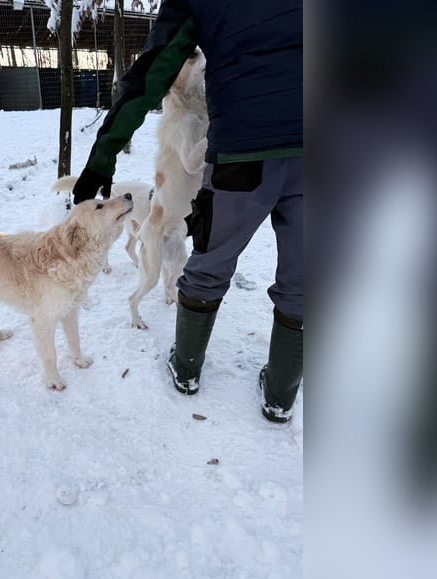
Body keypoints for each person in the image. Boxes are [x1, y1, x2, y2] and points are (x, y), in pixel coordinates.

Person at [71, 0, 303, 422]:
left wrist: (104, 154)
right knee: (305, 280)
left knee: (210, 261)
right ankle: (282, 395)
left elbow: (152, 71)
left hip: (242, 148)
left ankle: (186, 368)